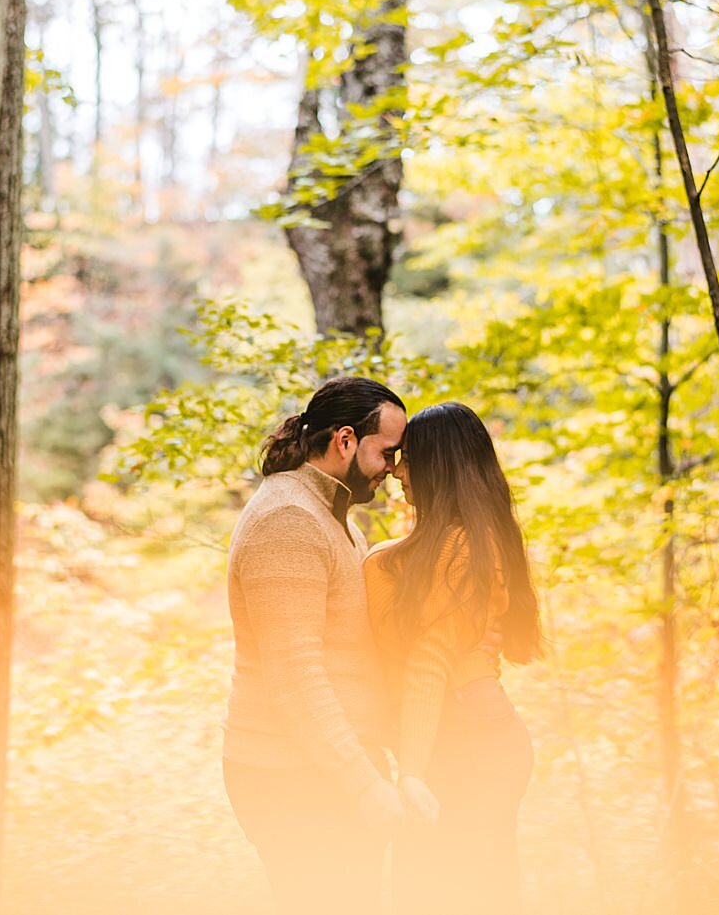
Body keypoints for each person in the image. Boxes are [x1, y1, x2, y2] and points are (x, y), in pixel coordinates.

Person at [222, 376, 408, 915]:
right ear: (345, 441)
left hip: (325, 771)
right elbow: (294, 674)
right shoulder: (288, 520)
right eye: (387, 453)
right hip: (291, 777)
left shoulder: (336, 522)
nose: (394, 469)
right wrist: (365, 785)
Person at [365, 401, 542, 915]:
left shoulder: (457, 547)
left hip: (464, 739)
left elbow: (429, 659)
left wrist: (413, 771)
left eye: (407, 457)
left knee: (433, 892)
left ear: (437, 464)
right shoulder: (478, 540)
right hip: (480, 732)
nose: (397, 471)